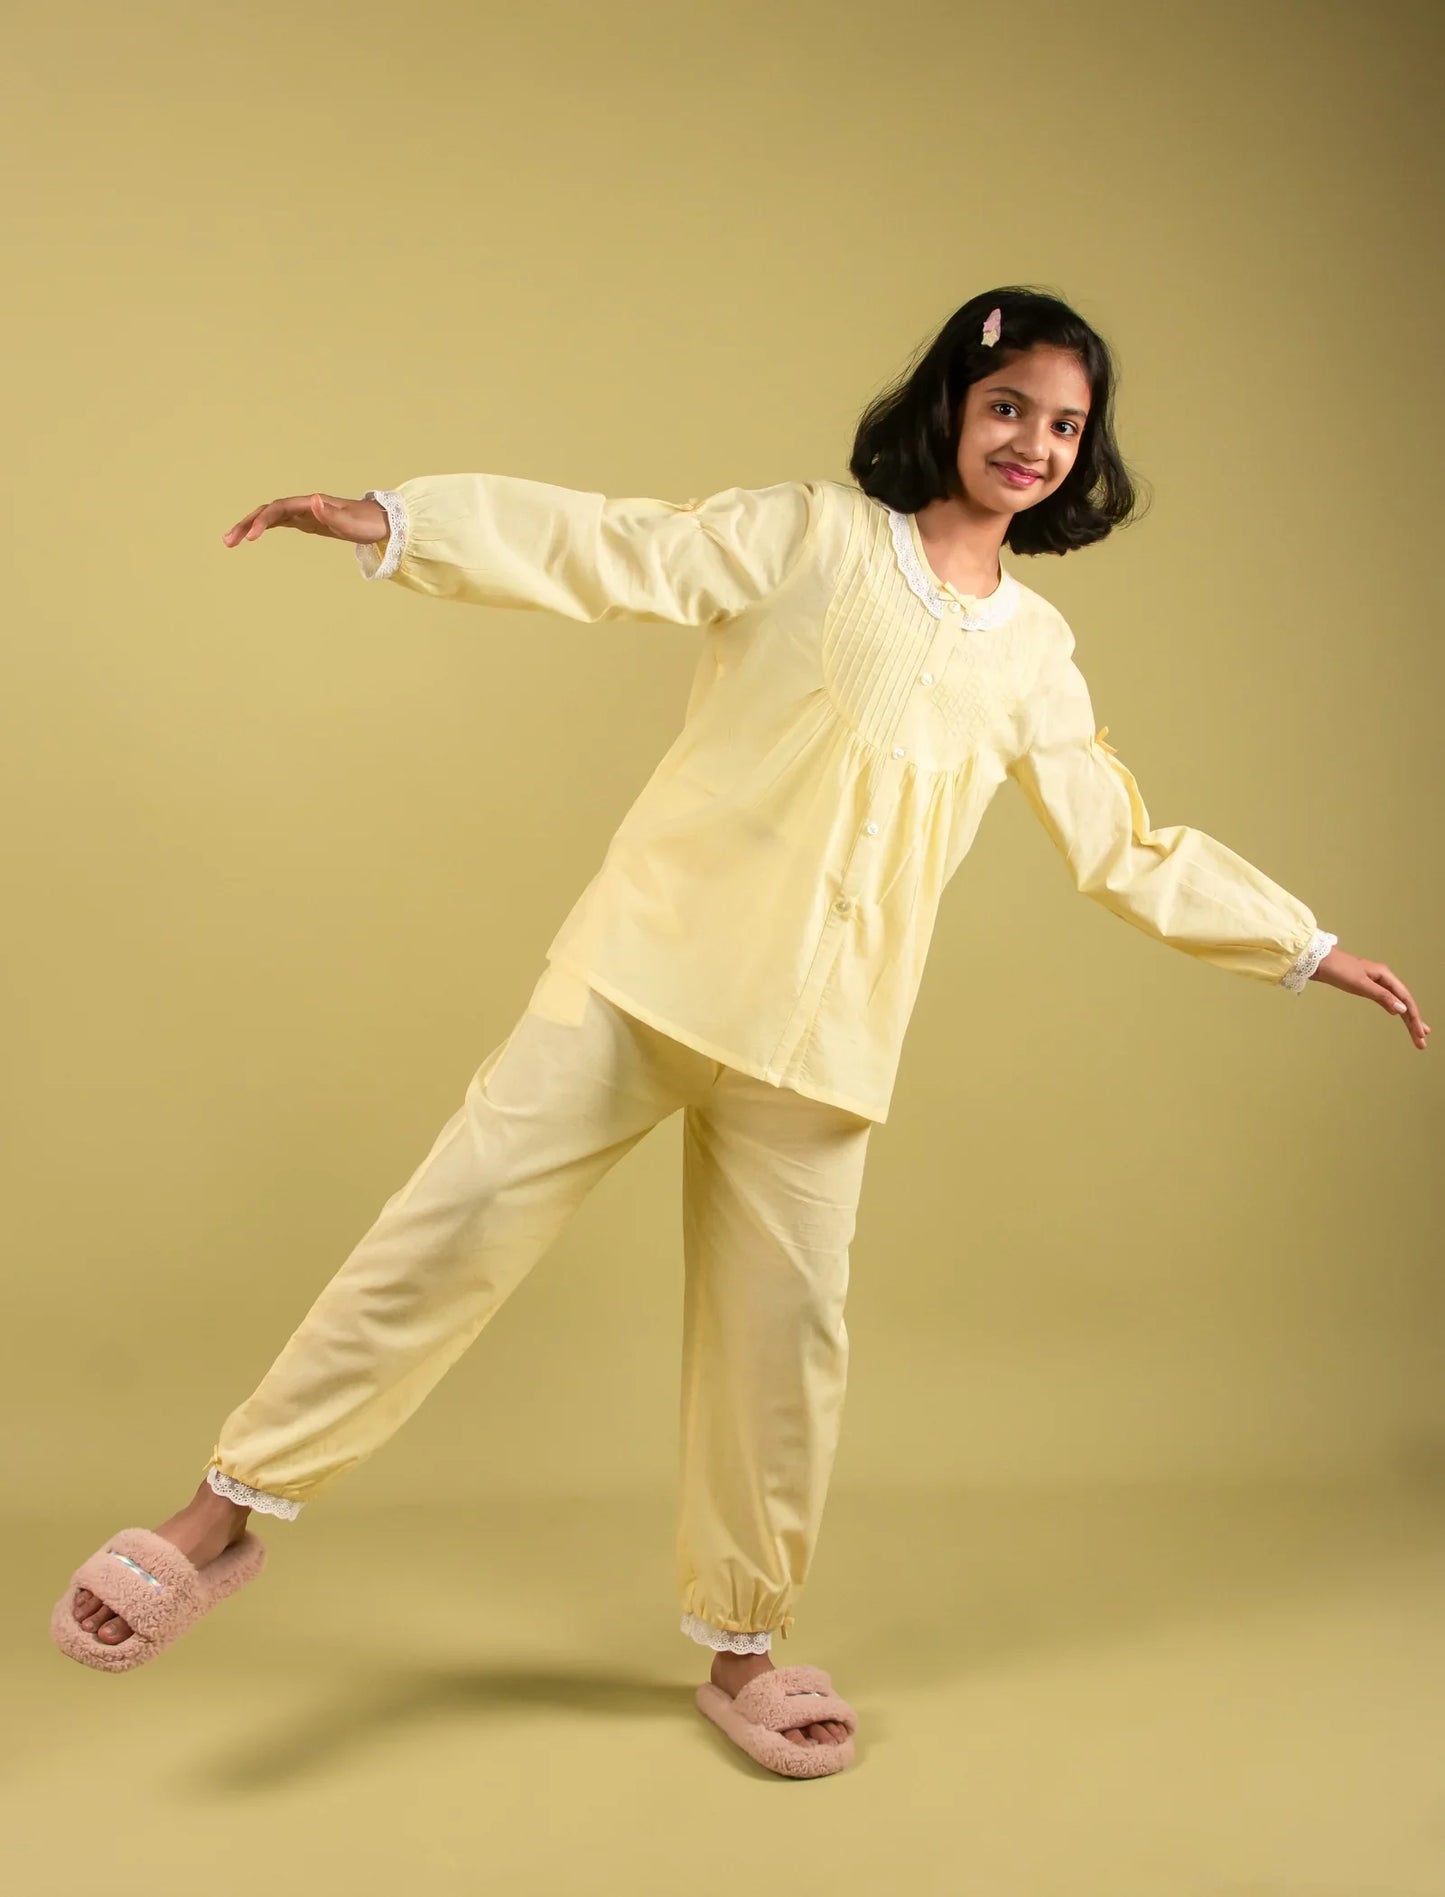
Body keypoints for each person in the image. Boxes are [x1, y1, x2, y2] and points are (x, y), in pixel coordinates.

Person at [53, 287, 1430, 1778]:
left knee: (784, 1356)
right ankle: (218, 1515)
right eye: (1008, 407)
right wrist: (395, 522)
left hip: (823, 1047)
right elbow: (613, 546)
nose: (1032, 443)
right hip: (641, 975)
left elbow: (1122, 842)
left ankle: (744, 1648)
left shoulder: (1035, 650)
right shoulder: (810, 537)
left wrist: (1302, 945)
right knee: (446, 1228)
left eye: (1063, 425)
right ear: (951, 408)